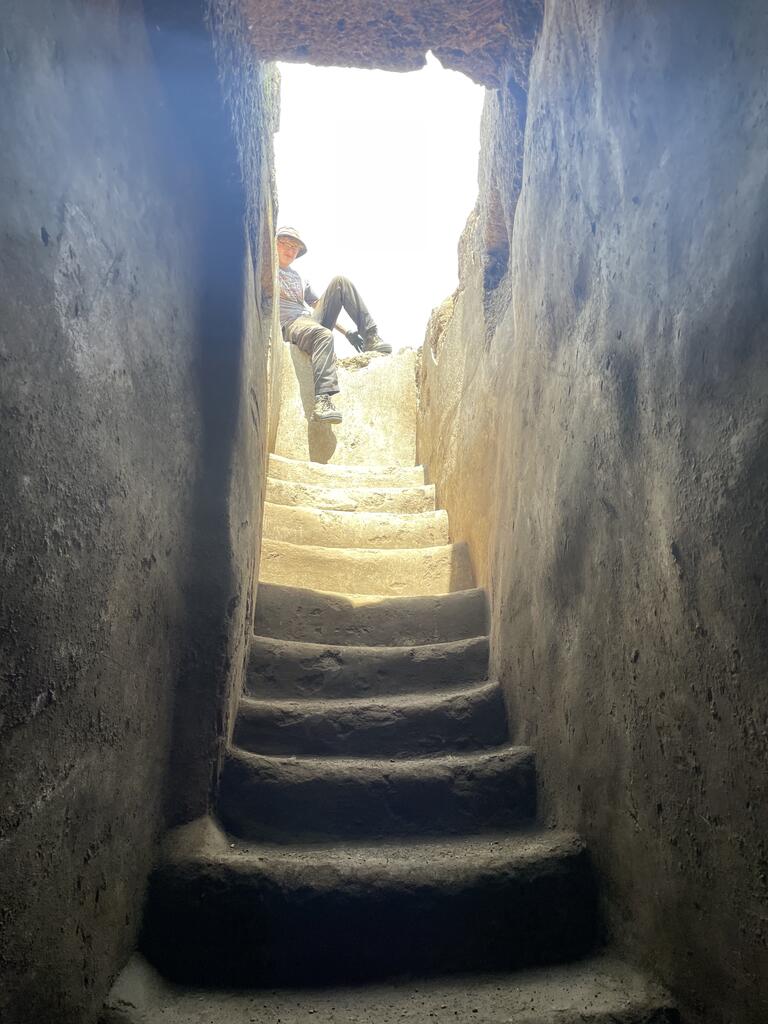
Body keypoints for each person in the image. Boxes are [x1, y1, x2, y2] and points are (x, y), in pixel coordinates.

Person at [276, 226, 392, 424]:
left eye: (294, 247)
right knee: (322, 335)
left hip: (308, 320)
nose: (290, 250)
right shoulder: (267, 270)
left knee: (340, 281)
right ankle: (323, 399)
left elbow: (316, 304)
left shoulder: (299, 278)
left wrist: (347, 333)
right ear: (275, 244)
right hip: (289, 323)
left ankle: (371, 335)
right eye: (285, 244)